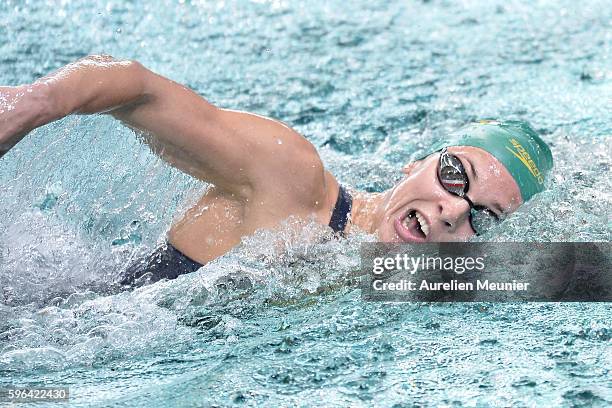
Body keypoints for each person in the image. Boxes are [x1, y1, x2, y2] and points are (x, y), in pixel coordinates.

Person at [0, 55, 553, 287]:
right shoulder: (292, 178)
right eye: (456, 176)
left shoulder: (418, 277)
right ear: (417, 161)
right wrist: (30, 105)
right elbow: (138, 88)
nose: (453, 209)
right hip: (51, 320)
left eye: (484, 216)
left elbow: (576, 277)